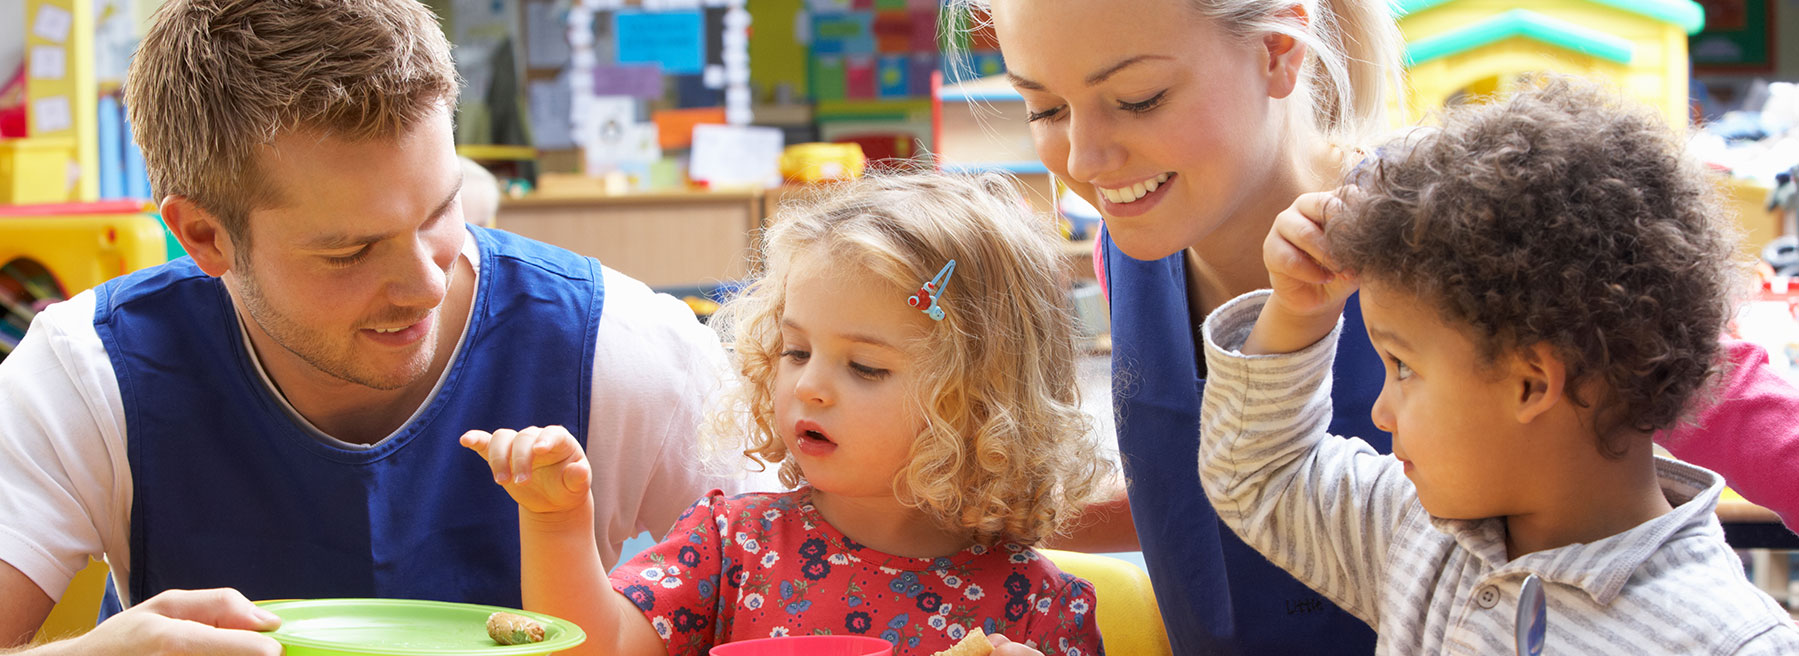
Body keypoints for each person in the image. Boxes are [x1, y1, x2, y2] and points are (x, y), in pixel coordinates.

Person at [962, 0, 1799, 652]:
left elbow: (1701, 373)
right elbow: (1198, 495)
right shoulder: (1131, 243)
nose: (1085, 158)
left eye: (1136, 99)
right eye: (1042, 108)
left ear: (1276, 53)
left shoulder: (1461, 234)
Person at [0, 0, 743, 652]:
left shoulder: (625, 346)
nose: (426, 282)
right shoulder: (87, 374)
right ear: (204, 236)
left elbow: (821, 593)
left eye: (439, 212)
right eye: (348, 252)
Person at [1201, 78, 1799, 653]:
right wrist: (1297, 312)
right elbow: (1259, 474)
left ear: (1532, 382)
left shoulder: (1726, 639)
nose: (1381, 411)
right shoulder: (1420, 535)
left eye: (1403, 367)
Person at [461, 172, 1109, 656]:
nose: (810, 386)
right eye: (795, 350)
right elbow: (592, 648)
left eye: (865, 367)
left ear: (983, 405)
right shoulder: (730, 546)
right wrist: (557, 524)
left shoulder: (1037, 608)